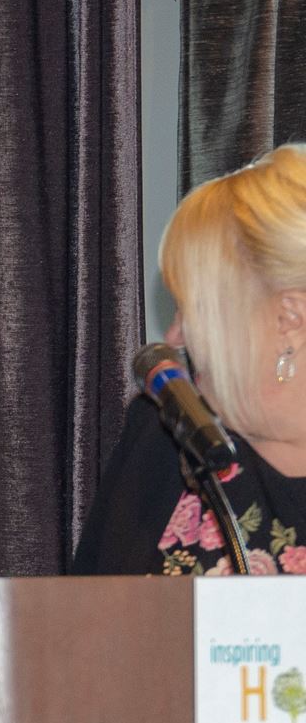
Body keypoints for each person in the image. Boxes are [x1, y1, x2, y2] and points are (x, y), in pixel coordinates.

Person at [75, 143, 306, 575]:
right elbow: (81, 628)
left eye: (193, 307)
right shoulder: (166, 430)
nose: (174, 334)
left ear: (288, 317)